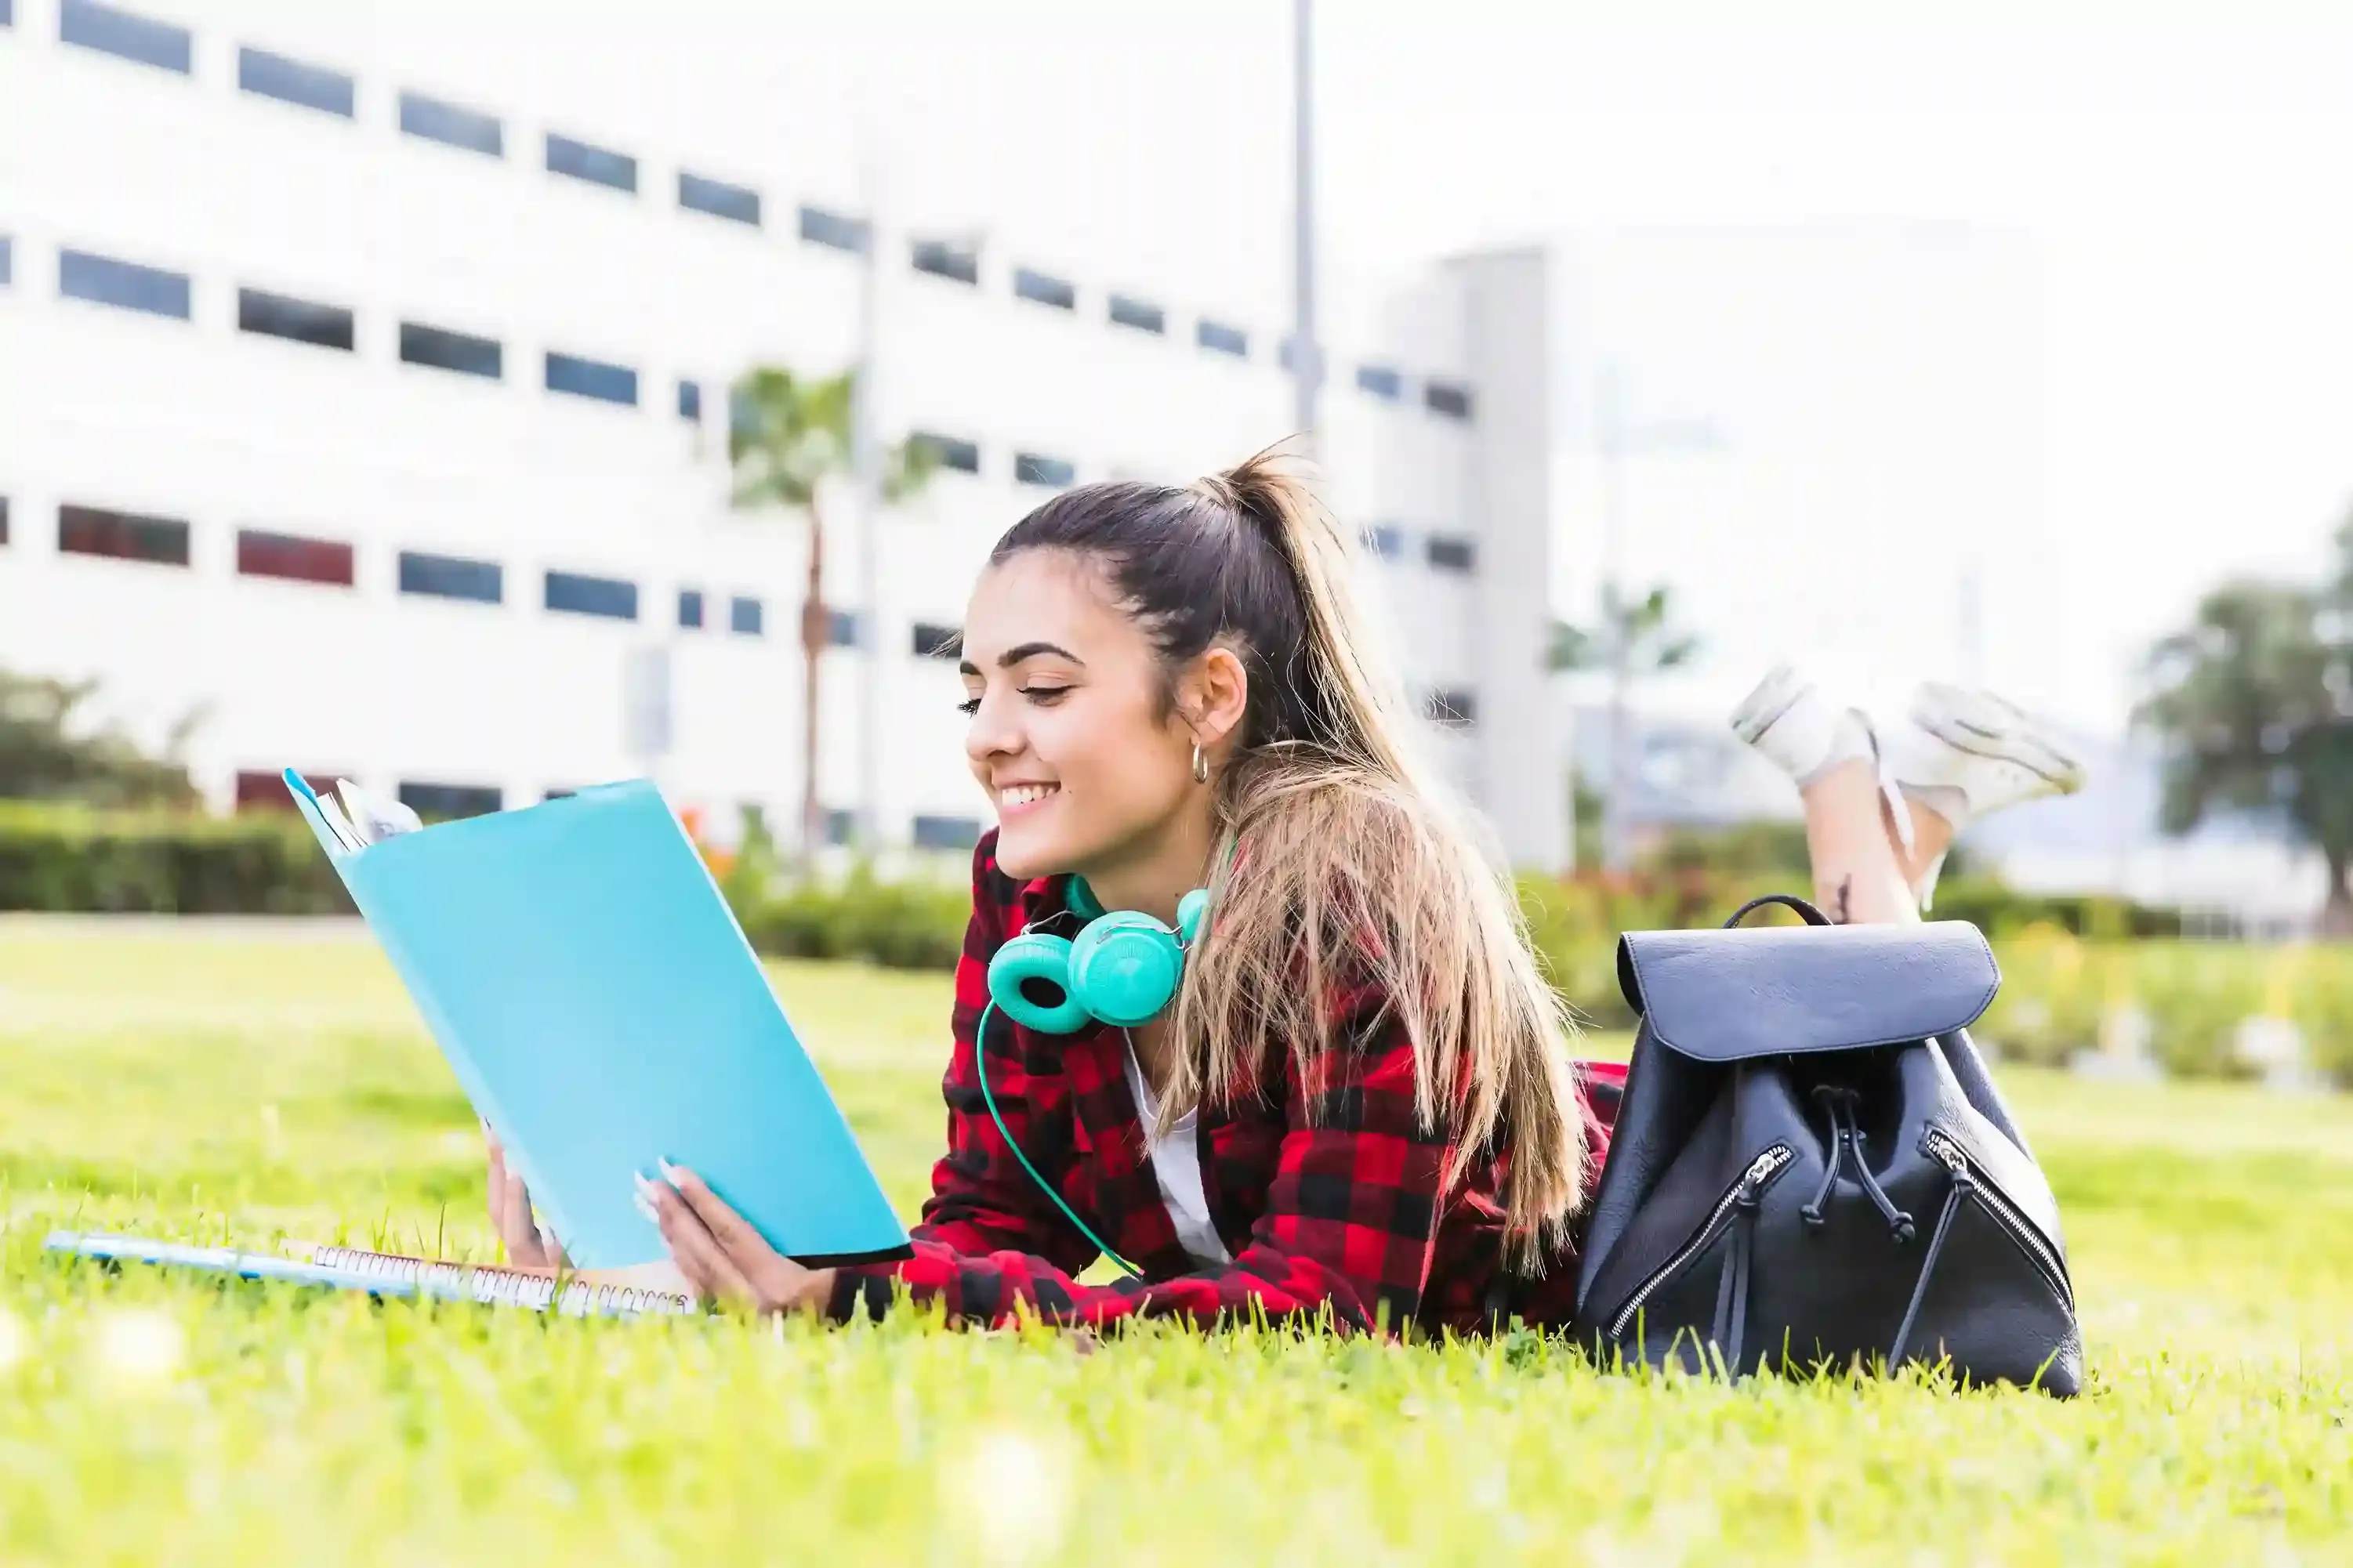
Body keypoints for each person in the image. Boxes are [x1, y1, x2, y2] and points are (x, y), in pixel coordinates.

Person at [486, 450, 2086, 1338]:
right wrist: (719, 1257)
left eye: (1040, 688)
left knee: (1886, 1109)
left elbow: (1313, 1312)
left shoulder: (1361, 893)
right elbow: (982, 1219)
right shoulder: (1028, 900)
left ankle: (1861, 801)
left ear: (1208, 701)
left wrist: (882, 1302)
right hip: (1615, 1176)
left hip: (1695, 1206)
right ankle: (1908, 801)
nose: (985, 737)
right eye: (970, 687)